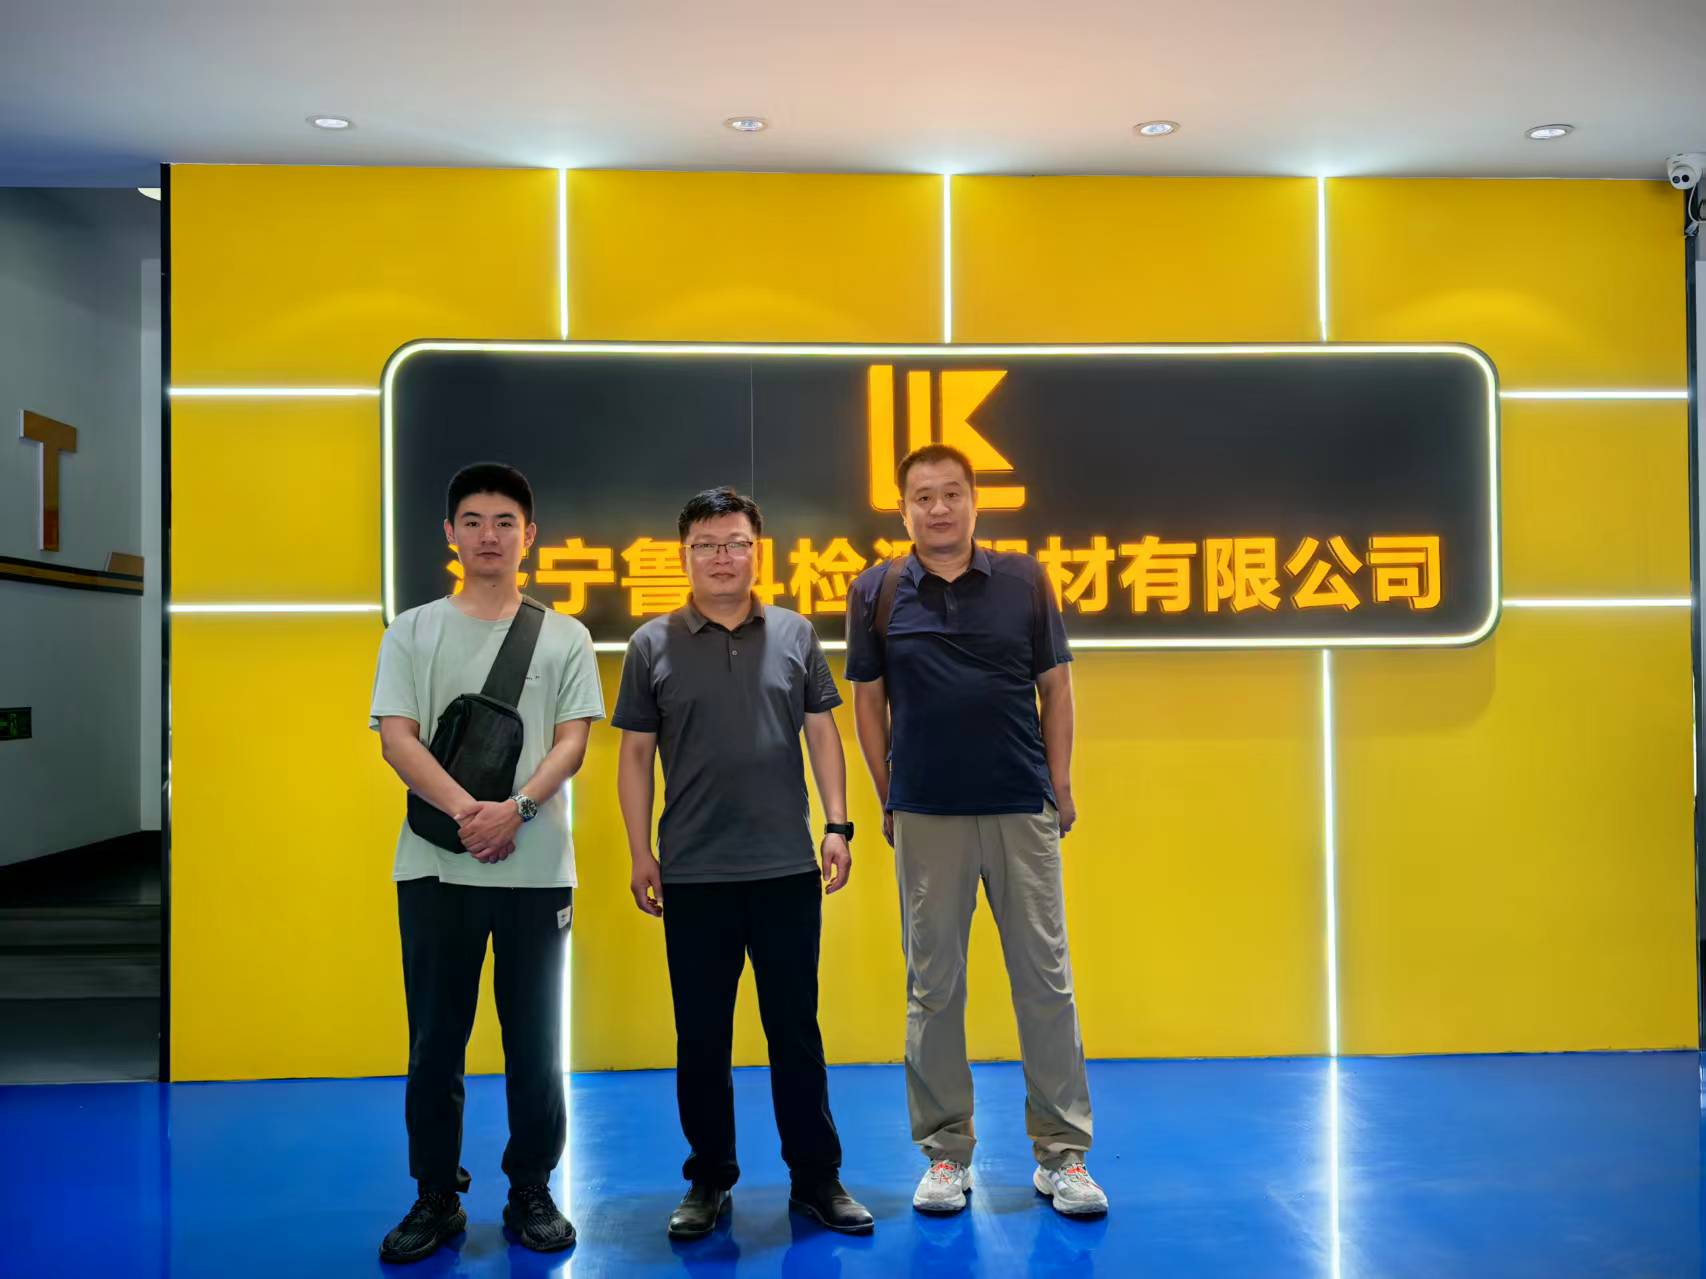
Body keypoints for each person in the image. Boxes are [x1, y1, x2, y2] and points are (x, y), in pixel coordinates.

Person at [845, 443, 1107, 1217]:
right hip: (928, 812)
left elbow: (1056, 687)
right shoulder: (876, 590)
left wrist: (1059, 786)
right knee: (933, 986)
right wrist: (888, 793)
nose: (938, 508)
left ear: (974, 500)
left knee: (1046, 980)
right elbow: (868, 702)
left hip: (1020, 805)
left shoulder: (1025, 579)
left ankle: (1063, 1155)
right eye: (923, 496)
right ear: (903, 509)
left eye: (951, 492)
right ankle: (945, 1153)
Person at [613, 487, 874, 1239]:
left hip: (785, 869)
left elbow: (822, 733)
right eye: (706, 545)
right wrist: (640, 850)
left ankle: (816, 1179)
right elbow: (634, 756)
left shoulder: (795, 634)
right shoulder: (651, 644)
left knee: (795, 1031)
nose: (722, 557)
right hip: (693, 873)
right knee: (701, 1038)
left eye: (735, 543)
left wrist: (837, 825)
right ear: (685, 555)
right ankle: (709, 1179)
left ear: (758, 551)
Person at [369, 462, 604, 1263]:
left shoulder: (565, 636)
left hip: (537, 871)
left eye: (505, 521)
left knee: (535, 1040)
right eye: (472, 521)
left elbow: (572, 740)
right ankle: (435, 1194)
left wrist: (518, 809)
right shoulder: (412, 630)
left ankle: (531, 1187)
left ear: (528, 535)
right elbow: (396, 736)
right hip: (434, 867)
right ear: (450, 534)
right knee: (435, 1040)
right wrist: (472, 813)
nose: (489, 535)